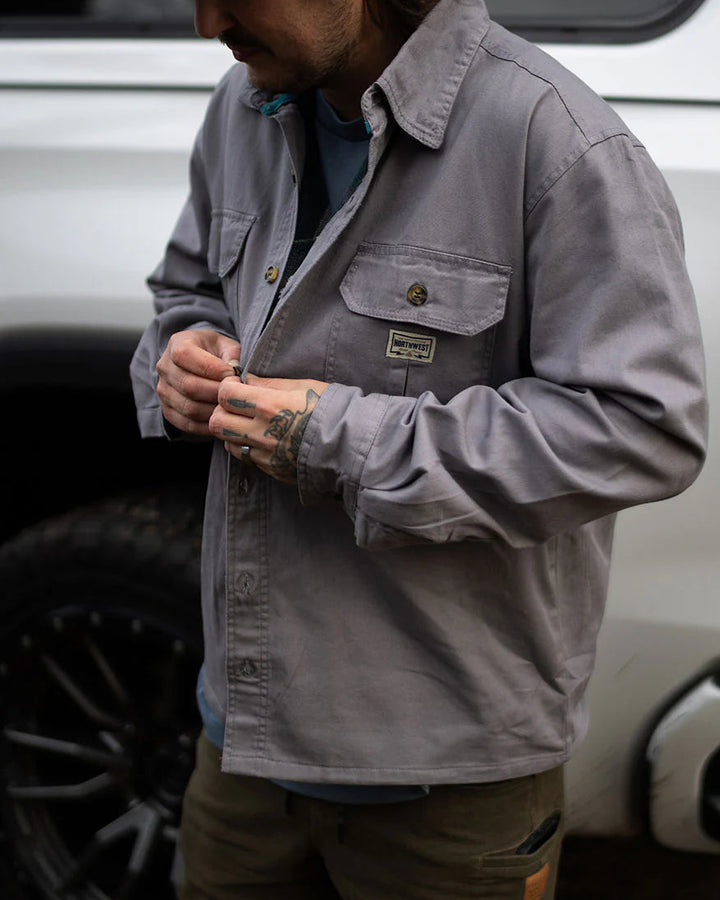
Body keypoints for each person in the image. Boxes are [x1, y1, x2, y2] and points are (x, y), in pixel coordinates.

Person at [130, 0, 707, 897]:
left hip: (445, 789)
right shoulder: (245, 102)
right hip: (236, 743)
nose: (210, 24)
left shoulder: (556, 141)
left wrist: (337, 438)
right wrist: (180, 359)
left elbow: (645, 428)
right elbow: (186, 290)